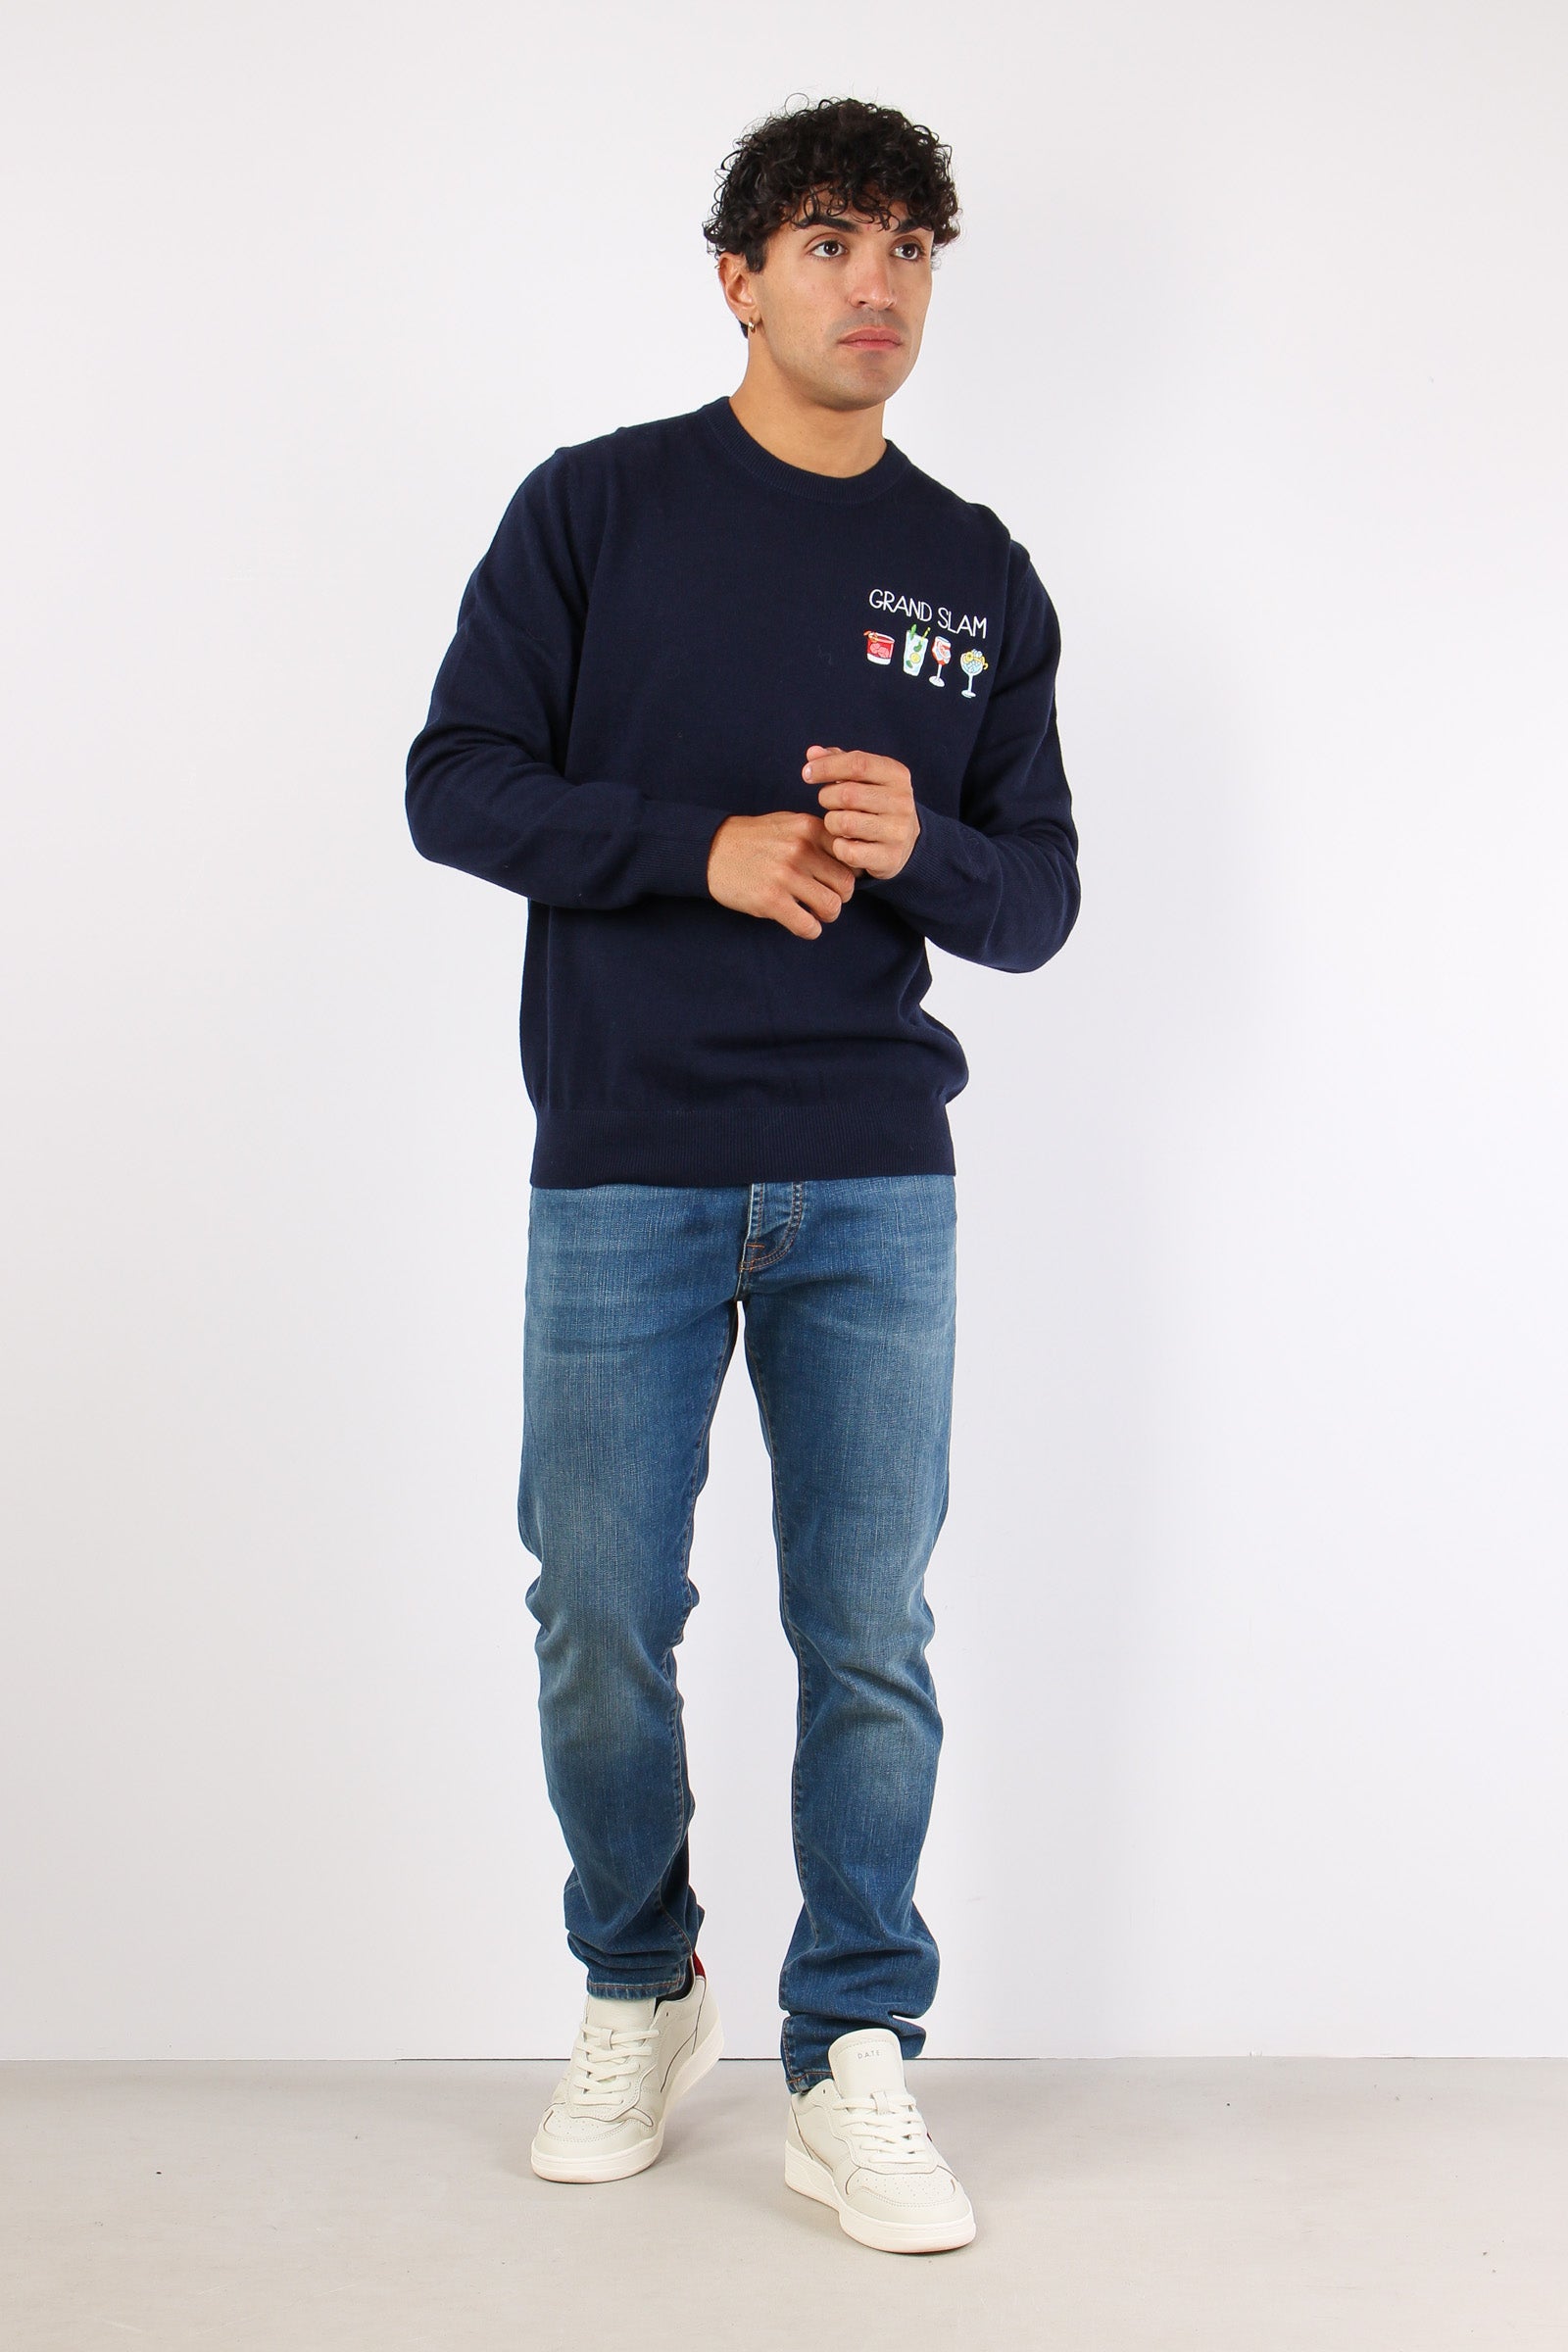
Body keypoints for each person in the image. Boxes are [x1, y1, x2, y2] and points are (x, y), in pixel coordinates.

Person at [405, 94, 1080, 2256]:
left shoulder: (973, 572)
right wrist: (687, 848)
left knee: (867, 1633)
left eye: (908, 249)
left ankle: (853, 2047)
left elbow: (1040, 899)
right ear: (738, 277)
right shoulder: (595, 510)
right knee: (599, 1616)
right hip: (627, 1160)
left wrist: (927, 850)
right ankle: (641, 1982)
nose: (874, 285)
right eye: (828, 241)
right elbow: (453, 782)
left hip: (873, 1179)